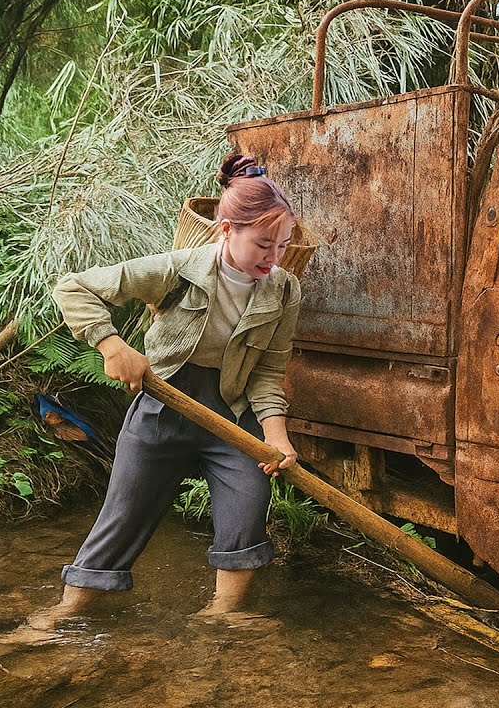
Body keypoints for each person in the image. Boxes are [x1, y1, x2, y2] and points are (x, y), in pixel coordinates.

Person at [30, 154, 303, 629]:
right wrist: (110, 343)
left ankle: (222, 615)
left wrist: (276, 436)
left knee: (248, 501)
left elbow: (268, 370)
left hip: (230, 414)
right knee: (122, 516)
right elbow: (73, 288)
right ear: (225, 230)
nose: (272, 258)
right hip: (163, 405)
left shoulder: (283, 290)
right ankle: (64, 614)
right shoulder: (176, 269)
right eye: (262, 244)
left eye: (281, 246)